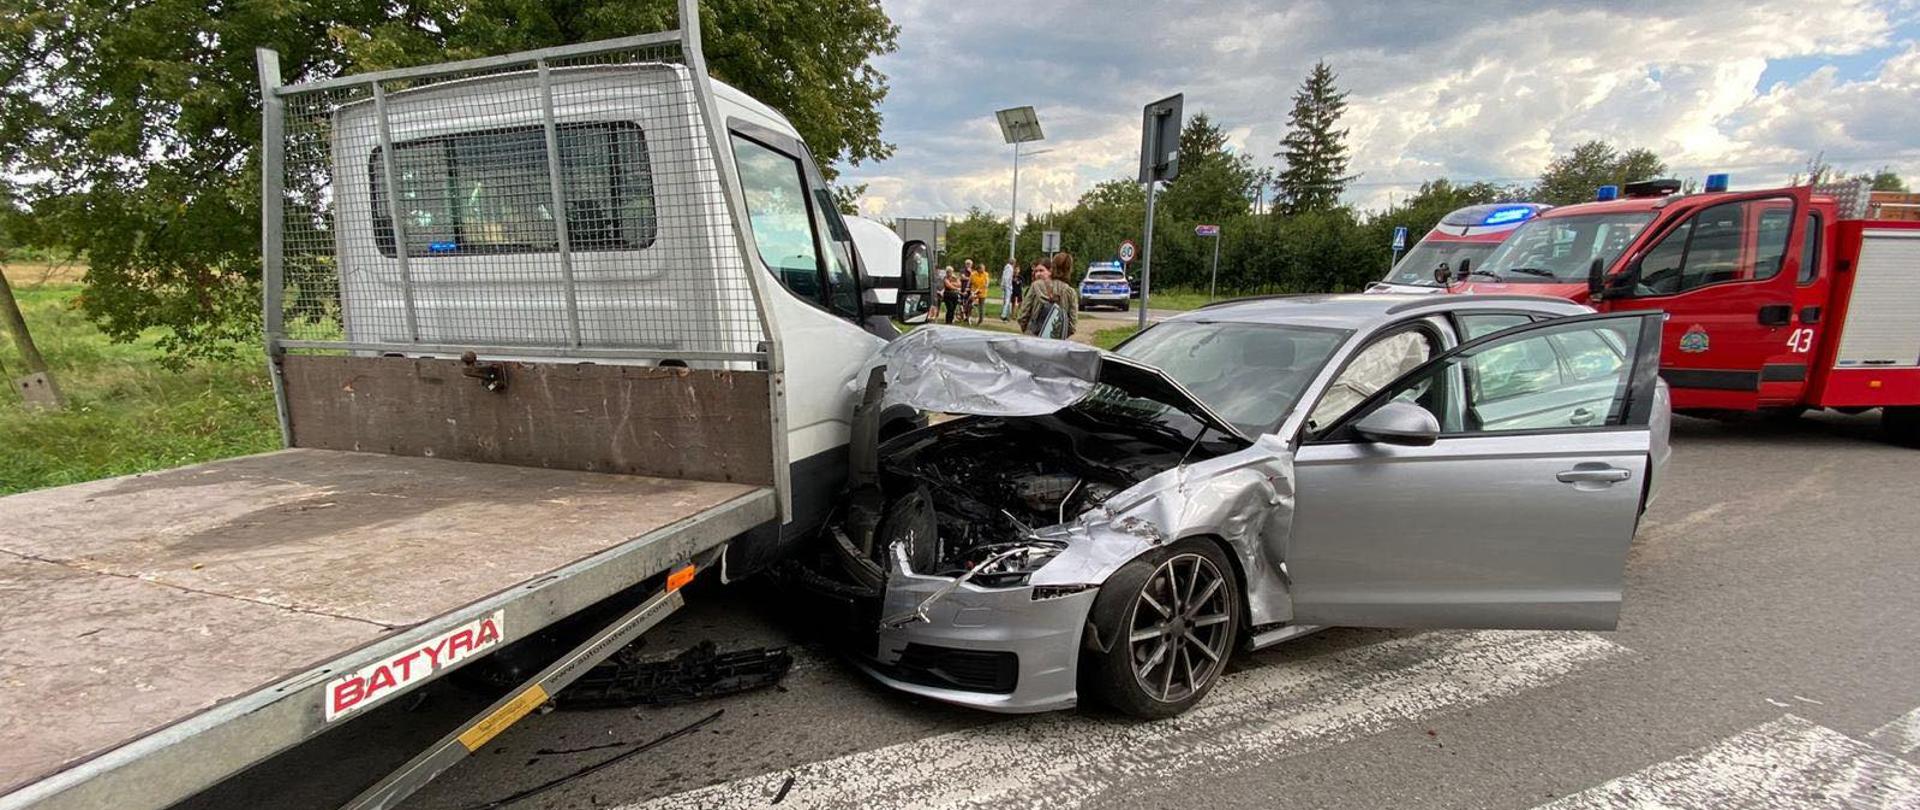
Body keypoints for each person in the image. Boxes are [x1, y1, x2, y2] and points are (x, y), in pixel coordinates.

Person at [1018, 251, 1079, 339]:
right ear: (1069, 269)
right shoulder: (1070, 292)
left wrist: (1029, 331)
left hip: (1032, 339)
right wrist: (1058, 335)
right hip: (1057, 343)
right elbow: (1072, 325)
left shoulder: (1036, 286)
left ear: (1052, 267)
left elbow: (1023, 315)